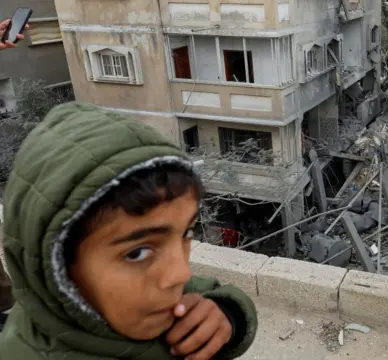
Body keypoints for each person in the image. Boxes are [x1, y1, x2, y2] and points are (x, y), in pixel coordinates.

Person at [0, 103, 258, 359]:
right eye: (137, 253)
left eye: (186, 234)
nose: (180, 273)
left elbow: (214, 292)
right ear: (55, 268)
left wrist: (226, 315)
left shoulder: (155, 295)